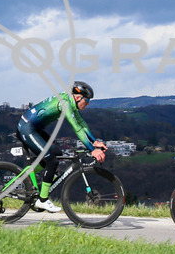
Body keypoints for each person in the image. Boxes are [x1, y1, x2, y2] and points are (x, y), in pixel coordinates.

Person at [17, 81, 108, 213]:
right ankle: (42, 200)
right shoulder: (65, 104)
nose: (88, 104)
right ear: (78, 98)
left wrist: (94, 142)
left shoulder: (71, 102)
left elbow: (81, 123)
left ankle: (28, 174)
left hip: (35, 128)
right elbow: (76, 128)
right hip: (27, 128)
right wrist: (92, 150)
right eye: (87, 100)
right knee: (51, 160)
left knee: (56, 152)